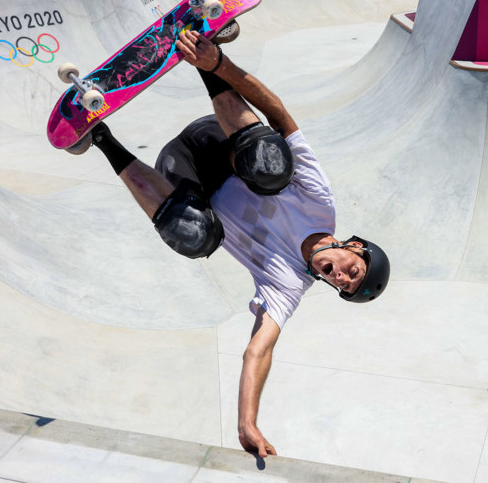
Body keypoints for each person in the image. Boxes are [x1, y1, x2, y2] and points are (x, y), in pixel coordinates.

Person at [83, 30, 390, 457]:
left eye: (343, 286)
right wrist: (217, 65)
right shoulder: (319, 203)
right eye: (351, 271)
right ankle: (201, 59)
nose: (339, 276)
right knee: (270, 167)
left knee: (196, 238)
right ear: (354, 246)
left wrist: (247, 423)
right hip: (220, 140)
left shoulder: (287, 287)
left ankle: (99, 137)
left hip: (182, 172)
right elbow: (279, 114)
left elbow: (258, 351)